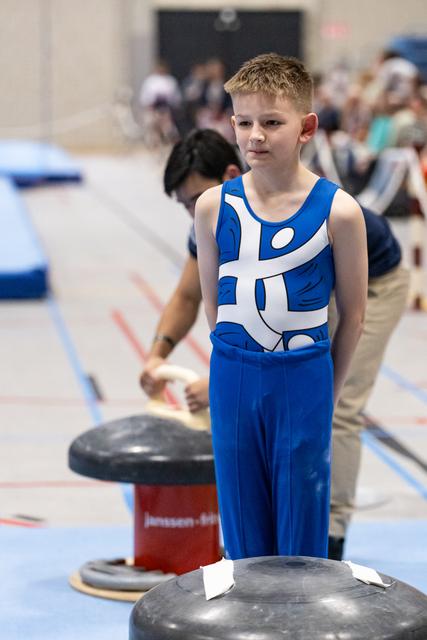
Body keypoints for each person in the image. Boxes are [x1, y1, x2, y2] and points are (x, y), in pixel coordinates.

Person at [195, 53, 368, 560]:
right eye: (244, 122)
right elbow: (214, 307)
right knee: (243, 532)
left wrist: (325, 391)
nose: (256, 136)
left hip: (305, 377)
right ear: (231, 124)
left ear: (306, 126)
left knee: (300, 535)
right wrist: (233, 366)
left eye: (272, 122)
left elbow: (353, 315)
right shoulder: (212, 207)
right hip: (233, 375)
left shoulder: (339, 212)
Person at [139, 129, 242, 410]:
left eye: (196, 199)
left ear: (231, 176)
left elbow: (280, 327)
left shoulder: (268, 225)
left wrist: (224, 383)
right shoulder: (205, 224)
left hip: (365, 276)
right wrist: (156, 356)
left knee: (334, 408)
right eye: (184, 205)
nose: (192, 212)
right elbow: (187, 296)